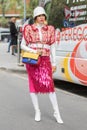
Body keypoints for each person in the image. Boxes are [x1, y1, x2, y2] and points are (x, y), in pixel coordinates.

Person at [21, 6, 63, 124]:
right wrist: (34, 51)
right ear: (35, 17)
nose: (41, 17)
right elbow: (22, 45)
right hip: (33, 61)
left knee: (50, 87)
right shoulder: (29, 29)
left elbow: (53, 47)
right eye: (39, 16)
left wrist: (54, 62)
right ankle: (37, 111)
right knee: (33, 86)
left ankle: (57, 113)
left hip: (45, 60)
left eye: (43, 15)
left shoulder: (50, 29)